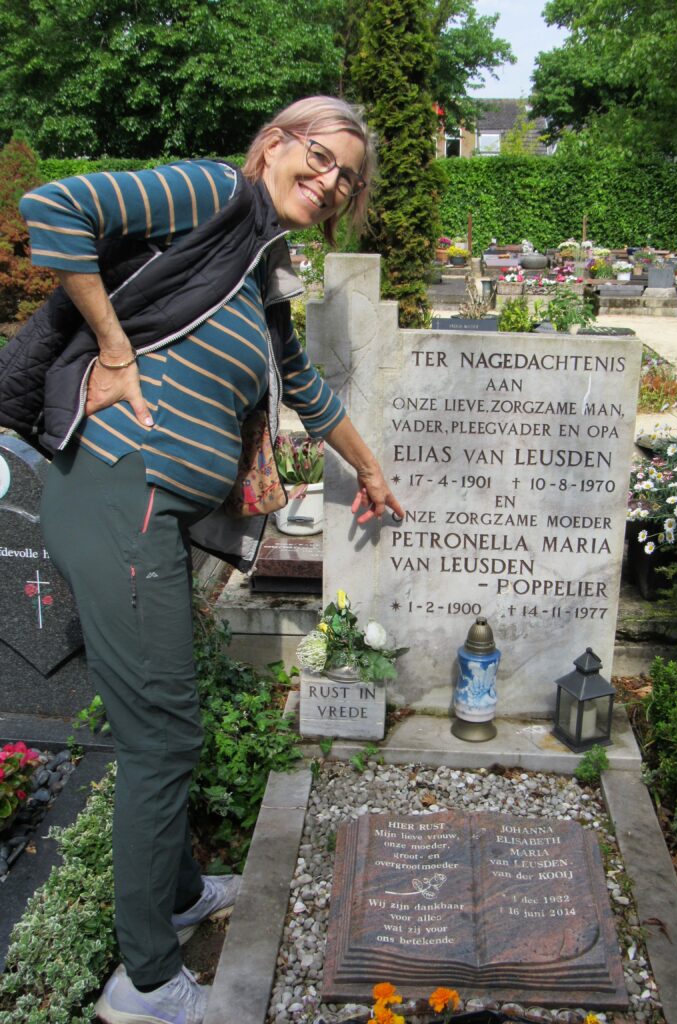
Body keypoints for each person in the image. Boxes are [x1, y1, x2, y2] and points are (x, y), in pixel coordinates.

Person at [18, 96, 403, 1024]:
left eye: (347, 174)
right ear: (275, 143)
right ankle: (145, 982)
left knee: (164, 711)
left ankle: (182, 893)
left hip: (150, 513)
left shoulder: (259, 263)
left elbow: (300, 383)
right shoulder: (210, 192)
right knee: (164, 736)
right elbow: (52, 206)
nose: (331, 180)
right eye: (319, 155)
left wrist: (371, 467)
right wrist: (113, 347)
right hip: (120, 489)